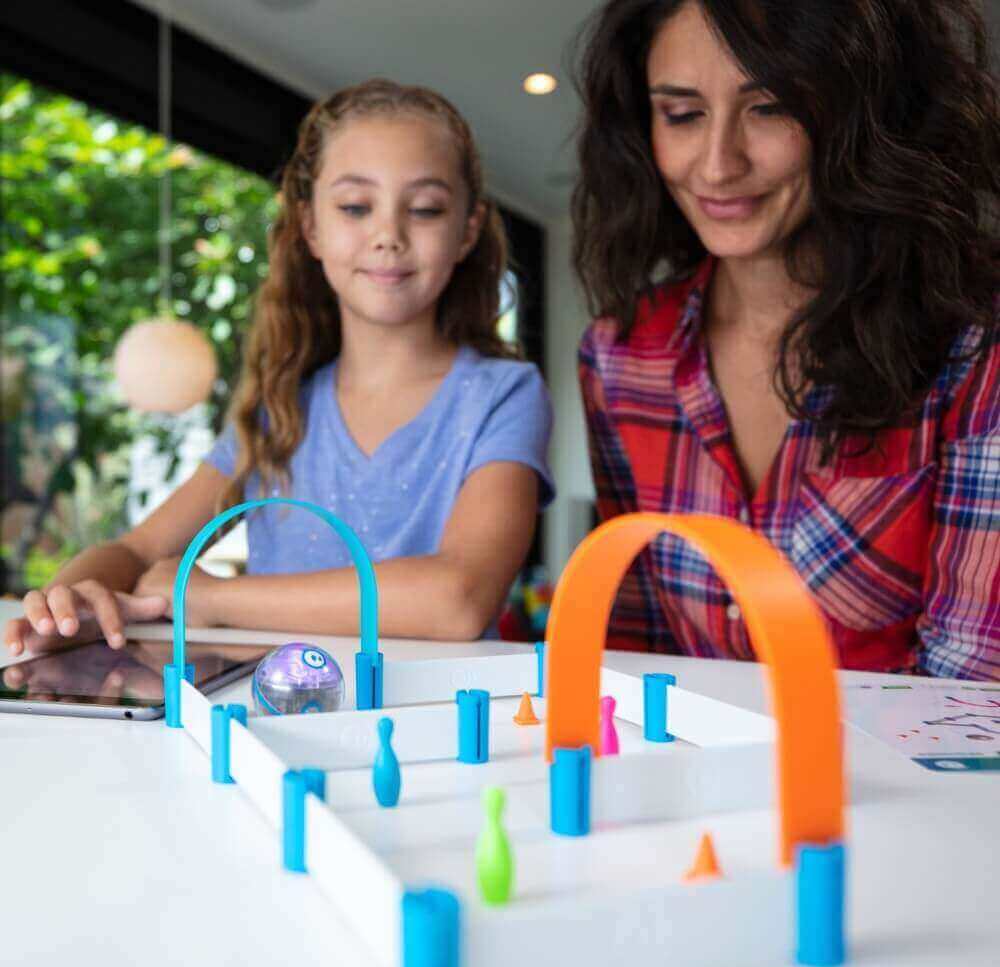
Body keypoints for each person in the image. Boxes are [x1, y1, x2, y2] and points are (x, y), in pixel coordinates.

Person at [5, 79, 554, 658]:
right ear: (311, 226)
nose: (388, 236)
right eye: (354, 207)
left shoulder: (504, 395)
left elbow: (458, 598)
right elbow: (139, 552)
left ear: (468, 230)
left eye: (424, 209)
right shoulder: (279, 410)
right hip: (276, 726)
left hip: (444, 732)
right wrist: (66, 600)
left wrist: (217, 598)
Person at [572, 0, 999, 679]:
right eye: (681, 114)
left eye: (769, 108)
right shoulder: (620, 359)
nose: (717, 165)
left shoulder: (973, 346)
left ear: (863, 115)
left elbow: (971, 695)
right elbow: (633, 648)